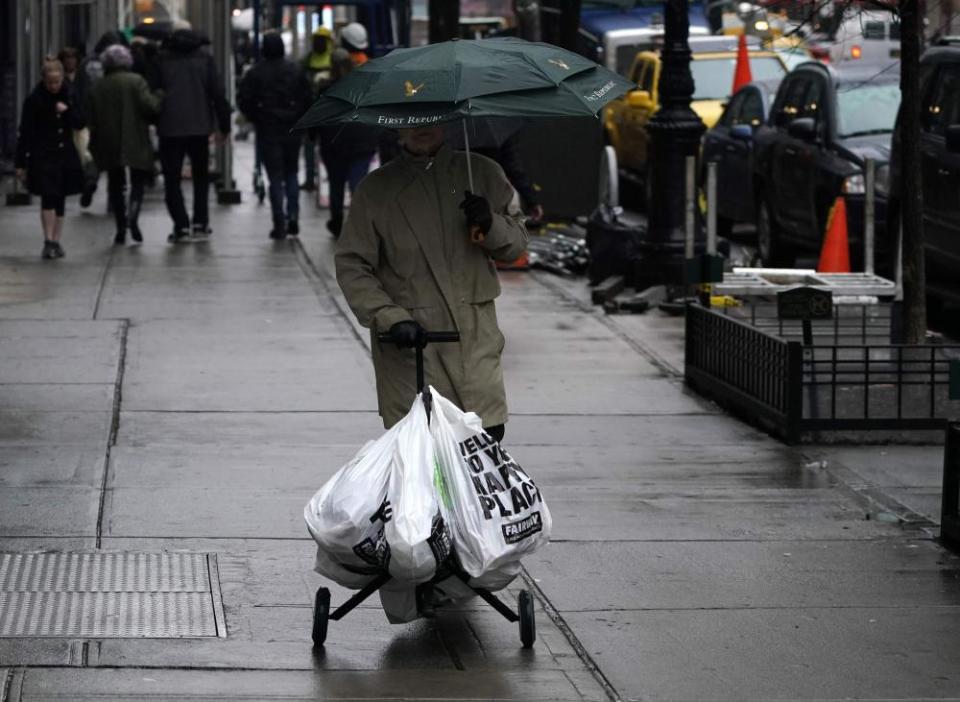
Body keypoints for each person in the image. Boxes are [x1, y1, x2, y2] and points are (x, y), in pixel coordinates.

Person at [334, 125, 528, 440]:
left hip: (474, 343)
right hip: (412, 348)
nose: (422, 127)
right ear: (397, 126)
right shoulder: (376, 190)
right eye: (412, 119)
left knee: (484, 445)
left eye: (432, 117)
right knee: (421, 459)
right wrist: (389, 316)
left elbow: (517, 245)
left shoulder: (482, 173)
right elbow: (353, 264)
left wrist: (490, 223)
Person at [150, 27, 231, 243]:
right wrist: (224, 125)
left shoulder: (161, 60)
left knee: (172, 178)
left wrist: (154, 121)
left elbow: (153, 94)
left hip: (170, 127)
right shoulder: (205, 59)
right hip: (199, 126)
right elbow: (217, 93)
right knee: (201, 177)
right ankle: (200, 223)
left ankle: (181, 225)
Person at [87, 44, 164, 245]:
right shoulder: (136, 81)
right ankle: (134, 216)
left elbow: (91, 116)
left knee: (115, 184)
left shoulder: (99, 86)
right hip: (135, 138)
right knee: (137, 182)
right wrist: (160, 96)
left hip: (108, 139)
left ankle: (121, 225)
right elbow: (151, 106)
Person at [238, 32, 312, 239]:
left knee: (275, 177)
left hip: (268, 129)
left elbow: (244, 99)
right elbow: (308, 97)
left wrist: (256, 117)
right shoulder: (295, 70)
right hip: (292, 128)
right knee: (292, 174)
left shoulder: (255, 73)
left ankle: (279, 222)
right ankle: (294, 216)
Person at [14, 58, 85, 260]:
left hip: (65, 154)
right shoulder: (34, 100)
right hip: (43, 155)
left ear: (62, 78)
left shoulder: (70, 96)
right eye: (50, 82)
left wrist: (68, 111)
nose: (54, 86)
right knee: (48, 196)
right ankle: (48, 240)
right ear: (43, 80)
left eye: (57, 81)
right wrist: (20, 163)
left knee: (60, 197)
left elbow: (81, 122)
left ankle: (56, 239)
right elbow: (25, 132)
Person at [318, 49, 379, 238]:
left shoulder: (325, 88)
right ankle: (360, 225)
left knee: (336, 186)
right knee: (357, 185)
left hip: (334, 145)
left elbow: (317, 116)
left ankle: (337, 223)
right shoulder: (364, 86)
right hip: (361, 144)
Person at [75, 31, 129, 208]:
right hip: (112, 117)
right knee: (116, 157)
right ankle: (115, 199)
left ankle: (90, 180)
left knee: (94, 153)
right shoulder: (116, 64)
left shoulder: (86, 63)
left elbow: (78, 89)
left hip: (90, 116)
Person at [300, 26, 334, 192]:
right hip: (313, 110)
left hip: (324, 111)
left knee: (319, 146)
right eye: (317, 39)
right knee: (310, 147)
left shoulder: (332, 58)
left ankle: (318, 179)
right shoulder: (308, 59)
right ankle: (311, 179)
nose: (318, 43)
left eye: (321, 39)